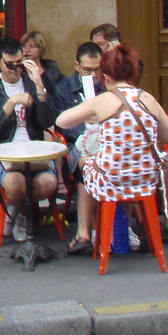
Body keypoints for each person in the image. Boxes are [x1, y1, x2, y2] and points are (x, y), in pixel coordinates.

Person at [55, 43, 168, 256]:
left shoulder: (103, 100)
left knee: (84, 161)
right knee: (120, 164)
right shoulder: (148, 99)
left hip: (111, 180)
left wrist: (92, 113)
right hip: (145, 180)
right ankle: (123, 228)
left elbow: (62, 121)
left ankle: (90, 231)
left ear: (106, 77)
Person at [0, 36, 57, 243]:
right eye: (10, 65)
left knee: (49, 183)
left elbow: (46, 120)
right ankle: (24, 217)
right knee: (15, 184)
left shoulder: (31, 81)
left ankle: (16, 209)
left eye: (19, 64)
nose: (16, 70)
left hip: (33, 150)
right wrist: (11, 103)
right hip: (4, 150)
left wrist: (40, 87)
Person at [51, 42, 105, 253]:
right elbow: (63, 128)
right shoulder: (64, 89)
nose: (93, 75)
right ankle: (85, 230)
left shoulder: (108, 86)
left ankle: (111, 227)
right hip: (76, 144)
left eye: (98, 69)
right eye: (88, 69)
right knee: (86, 164)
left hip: (105, 142)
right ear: (77, 66)